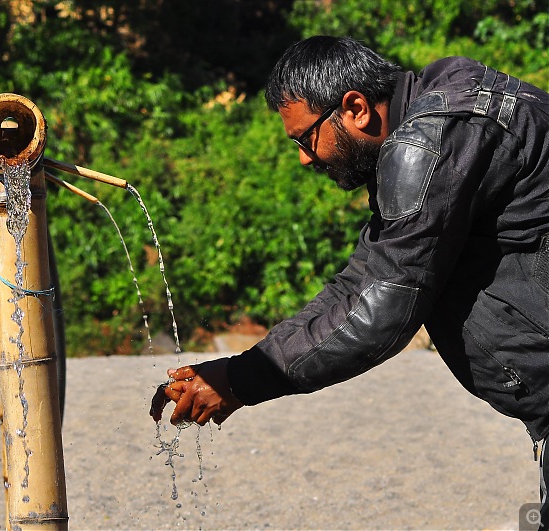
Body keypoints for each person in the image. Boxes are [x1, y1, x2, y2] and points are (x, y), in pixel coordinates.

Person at [150, 35, 549, 524]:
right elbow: (359, 283)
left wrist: (239, 383)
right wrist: (241, 369)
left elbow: (380, 314)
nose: (304, 158)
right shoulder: (441, 120)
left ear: (355, 107)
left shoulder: (430, 141)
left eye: (305, 138)